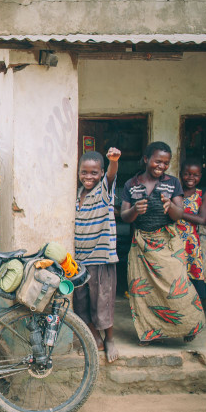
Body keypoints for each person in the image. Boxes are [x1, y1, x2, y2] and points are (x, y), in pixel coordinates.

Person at [120, 142, 205, 345]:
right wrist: (134, 211)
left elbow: (178, 214)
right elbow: (124, 216)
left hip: (168, 243)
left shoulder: (173, 182)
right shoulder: (131, 184)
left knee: (178, 287)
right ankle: (149, 333)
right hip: (141, 244)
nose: (162, 166)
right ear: (146, 159)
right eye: (158, 161)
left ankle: (187, 326)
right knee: (143, 291)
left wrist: (170, 207)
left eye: (166, 163)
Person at [73, 147, 121, 363]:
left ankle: (109, 339)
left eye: (94, 173)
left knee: (103, 303)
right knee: (81, 304)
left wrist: (113, 161)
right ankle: (95, 338)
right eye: (84, 172)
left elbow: (112, 175)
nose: (88, 177)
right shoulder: (76, 195)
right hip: (79, 262)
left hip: (101, 259)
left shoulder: (103, 192)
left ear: (101, 173)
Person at [175, 158, 206, 297]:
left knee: (194, 275)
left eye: (195, 175)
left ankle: (195, 312)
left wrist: (177, 212)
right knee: (175, 275)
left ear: (200, 176)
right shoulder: (175, 192)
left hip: (191, 242)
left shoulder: (203, 195)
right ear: (181, 174)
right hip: (174, 239)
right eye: (187, 174)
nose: (191, 178)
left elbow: (201, 219)